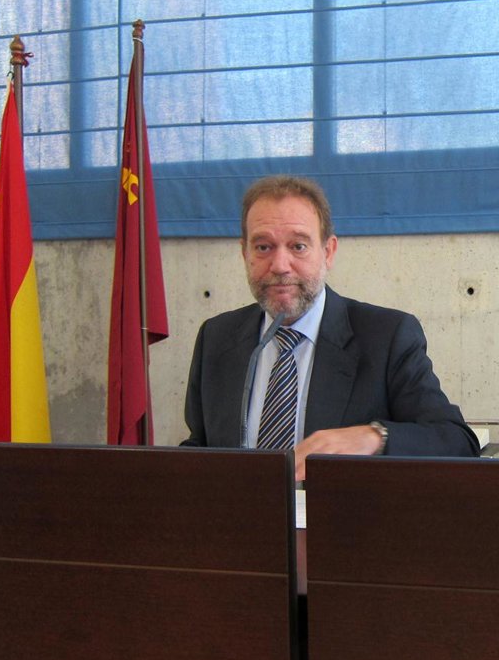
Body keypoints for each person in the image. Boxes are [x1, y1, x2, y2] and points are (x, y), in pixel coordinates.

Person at [181, 175, 478, 479]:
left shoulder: (387, 336)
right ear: (244, 252)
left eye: (298, 246)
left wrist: (374, 437)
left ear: (328, 251)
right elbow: (200, 448)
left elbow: (456, 441)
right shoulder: (216, 337)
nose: (280, 265)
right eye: (263, 247)